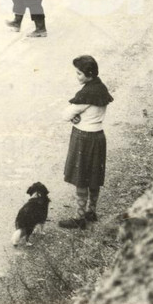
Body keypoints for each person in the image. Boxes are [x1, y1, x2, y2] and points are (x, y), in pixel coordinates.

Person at [58, 56, 113, 229]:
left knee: (81, 177)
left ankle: (79, 218)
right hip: (98, 137)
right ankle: (91, 211)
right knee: (94, 176)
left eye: (79, 73)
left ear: (88, 74)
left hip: (83, 137)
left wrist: (75, 118)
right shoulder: (100, 88)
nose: (77, 76)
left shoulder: (86, 94)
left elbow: (65, 115)